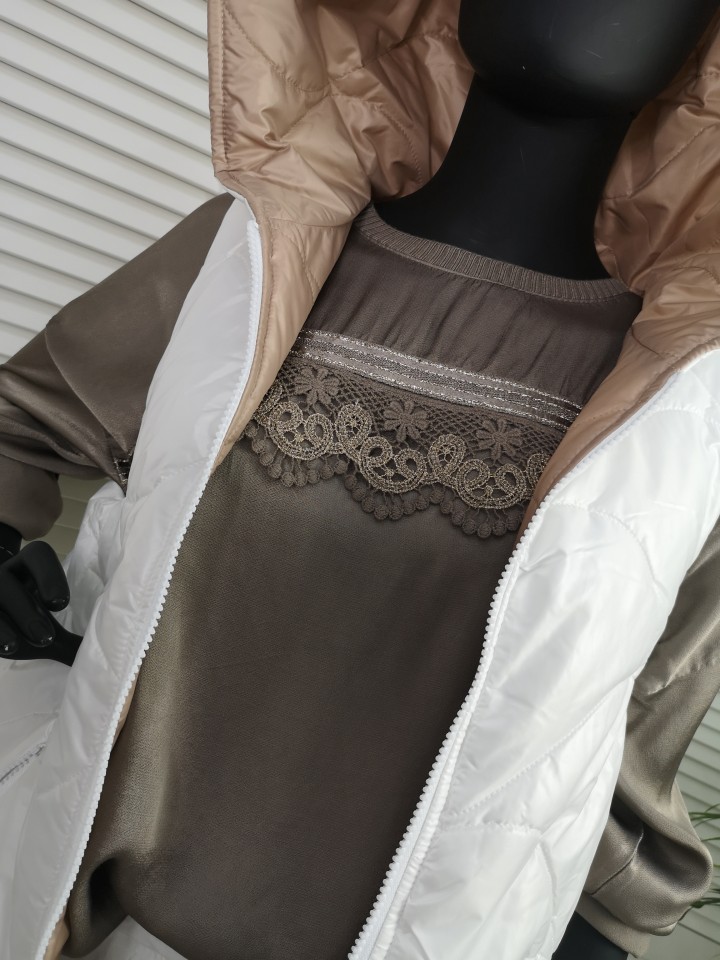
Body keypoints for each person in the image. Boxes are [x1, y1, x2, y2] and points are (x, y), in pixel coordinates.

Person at [1, 2, 720, 958]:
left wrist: (602, 925)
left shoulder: (684, 405)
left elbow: (631, 740)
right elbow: (21, 420)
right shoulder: (256, 254)